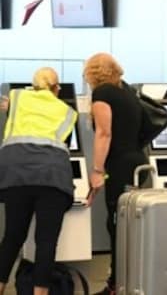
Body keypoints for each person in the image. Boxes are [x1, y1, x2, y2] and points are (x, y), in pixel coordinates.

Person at [0, 68, 78, 295]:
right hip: (52, 177)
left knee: (12, 237)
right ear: (56, 88)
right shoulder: (67, 111)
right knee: (46, 241)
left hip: (16, 175)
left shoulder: (17, 97)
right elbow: (65, 146)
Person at [83, 53, 145, 295]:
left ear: (93, 73)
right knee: (130, 227)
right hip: (138, 162)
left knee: (117, 225)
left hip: (119, 166)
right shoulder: (128, 92)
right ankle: (128, 282)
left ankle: (116, 286)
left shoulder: (103, 94)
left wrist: (97, 170)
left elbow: (104, 133)